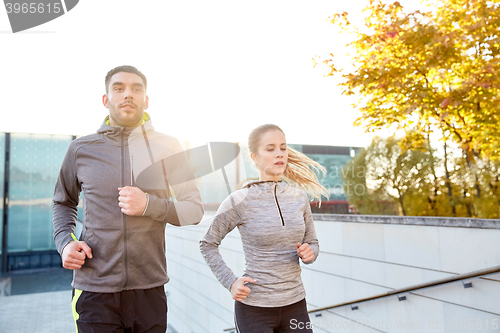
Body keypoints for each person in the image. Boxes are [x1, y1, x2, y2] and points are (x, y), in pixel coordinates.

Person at [53, 65, 204, 333]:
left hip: (149, 289)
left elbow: (193, 210)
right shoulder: (80, 149)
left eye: (136, 89)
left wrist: (149, 205)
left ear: (146, 100)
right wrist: (65, 243)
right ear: (106, 99)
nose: (128, 95)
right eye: (119, 88)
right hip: (94, 290)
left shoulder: (168, 146)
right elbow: (63, 202)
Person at [199, 124, 328, 333]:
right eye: (270, 149)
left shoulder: (299, 198)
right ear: (254, 157)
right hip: (254, 310)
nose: (279, 154)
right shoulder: (240, 200)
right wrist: (231, 282)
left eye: (283, 148)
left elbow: (312, 243)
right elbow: (207, 244)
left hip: (296, 305)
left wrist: (310, 252)